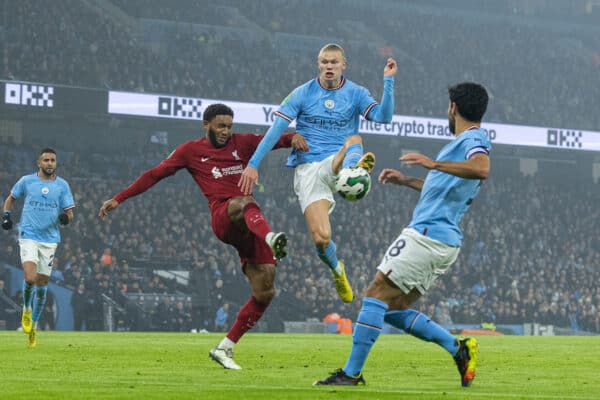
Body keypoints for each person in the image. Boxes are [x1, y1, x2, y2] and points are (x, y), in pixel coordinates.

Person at [98, 103, 307, 369]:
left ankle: (225, 348)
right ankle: (272, 239)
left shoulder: (241, 143)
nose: (225, 131)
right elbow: (155, 174)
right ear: (205, 125)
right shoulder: (191, 151)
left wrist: (293, 138)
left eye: (229, 126)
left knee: (265, 291)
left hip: (251, 225)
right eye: (220, 126)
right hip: (224, 216)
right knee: (243, 201)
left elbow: (273, 140)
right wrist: (119, 198)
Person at [314, 82, 490, 387]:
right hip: (444, 240)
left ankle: (351, 373)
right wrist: (406, 180)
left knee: (375, 293)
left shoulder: (473, 138)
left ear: (453, 107)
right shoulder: (463, 142)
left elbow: (482, 167)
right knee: (392, 307)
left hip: (426, 234)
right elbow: (442, 192)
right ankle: (458, 349)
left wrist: (432, 163)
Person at [239, 43, 397, 303]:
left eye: (334, 62)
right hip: (309, 168)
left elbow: (384, 118)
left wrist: (388, 81)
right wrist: (253, 163)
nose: (329, 67)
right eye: (324, 62)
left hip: (338, 159)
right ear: (318, 64)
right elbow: (275, 130)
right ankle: (337, 269)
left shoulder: (356, 92)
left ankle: (353, 170)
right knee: (322, 239)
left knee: (354, 139)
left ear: (343, 64)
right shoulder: (302, 93)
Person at [2, 148, 75, 348]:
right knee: (29, 277)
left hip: (50, 239)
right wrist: (7, 216)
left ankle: (33, 326)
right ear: (39, 163)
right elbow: (10, 199)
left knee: (42, 285)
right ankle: (26, 309)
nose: (50, 163)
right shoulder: (27, 181)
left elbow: (69, 213)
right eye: (46, 160)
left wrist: (64, 218)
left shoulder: (62, 185)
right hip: (28, 235)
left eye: (53, 160)